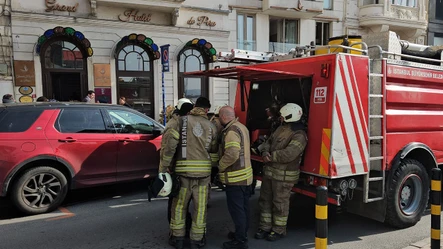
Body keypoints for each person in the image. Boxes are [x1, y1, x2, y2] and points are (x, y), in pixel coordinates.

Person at [159, 96, 218, 249]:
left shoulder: (180, 122)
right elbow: (213, 149)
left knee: (179, 207)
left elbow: (170, 147)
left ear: (194, 106)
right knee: (200, 208)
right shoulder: (211, 125)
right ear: (206, 109)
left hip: (183, 174)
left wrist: (163, 168)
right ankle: (197, 240)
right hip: (204, 176)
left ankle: (178, 238)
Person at [255, 103, 308, 242]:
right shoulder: (281, 128)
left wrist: (271, 156)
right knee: (265, 201)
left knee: (280, 204)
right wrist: (264, 151)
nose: (280, 118)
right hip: (270, 174)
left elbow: (290, 154)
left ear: (289, 116)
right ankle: (264, 227)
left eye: (283, 116)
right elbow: (268, 141)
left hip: (284, 177)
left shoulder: (299, 134)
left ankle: (278, 230)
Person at [217, 106, 253, 249]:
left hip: (236, 179)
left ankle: (240, 241)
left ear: (224, 117)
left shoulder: (231, 131)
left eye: (219, 117)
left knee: (237, 210)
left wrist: (220, 166)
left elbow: (232, 153)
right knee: (244, 208)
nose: (219, 120)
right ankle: (241, 233)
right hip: (245, 177)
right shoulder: (241, 127)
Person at [164, 97, 194, 246]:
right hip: (183, 171)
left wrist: (163, 170)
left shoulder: (175, 124)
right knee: (180, 204)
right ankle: (183, 233)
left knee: (177, 204)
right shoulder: (184, 124)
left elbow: (168, 151)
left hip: (179, 170)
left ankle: (178, 234)